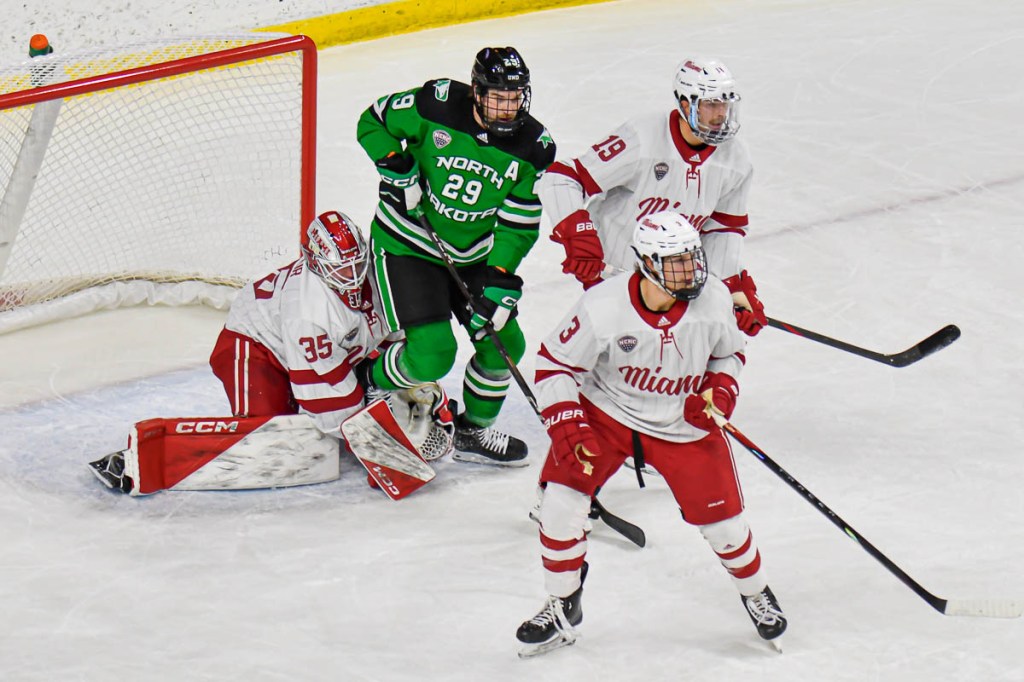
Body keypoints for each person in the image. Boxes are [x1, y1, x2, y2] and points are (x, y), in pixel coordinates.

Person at [515, 211, 787, 658]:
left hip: (682, 421)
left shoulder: (714, 298)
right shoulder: (604, 305)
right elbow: (555, 363)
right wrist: (566, 421)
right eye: (676, 262)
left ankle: (756, 591)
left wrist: (720, 390)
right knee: (560, 505)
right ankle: (563, 604)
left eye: (693, 258)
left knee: (725, 526)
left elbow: (730, 355)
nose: (691, 271)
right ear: (645, 264)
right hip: (608, 414)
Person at [89, 210, 452, 494]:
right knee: (276, 440)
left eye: (357, 264)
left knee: (354, 402)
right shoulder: (308, 312)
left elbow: (395, 333)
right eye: (341, 270)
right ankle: (138, 462)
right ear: (317, 264)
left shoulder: (374, 272)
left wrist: (387, 385)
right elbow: (330, 410)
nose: (353, 277)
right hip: (255, 345)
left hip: (337, 345)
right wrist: (375, 438)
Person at [355, 46, 556, 466]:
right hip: (408, 242)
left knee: (505, 345)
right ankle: (366, 381)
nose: (507, 108)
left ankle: (471, 432)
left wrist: (499, 277)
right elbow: (373, 121)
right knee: (433, 354)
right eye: (497, 98)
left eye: (515, 98)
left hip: (472, 255)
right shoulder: (437, 104)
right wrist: (395, 163)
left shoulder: (533, 147)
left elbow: (518, 224)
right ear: (476, 92)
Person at [538, 56, 767, 337]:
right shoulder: (643, 137)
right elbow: (562, 178)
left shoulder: (736, 159)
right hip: (612, 275)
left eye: (725, 104)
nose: (721, 114)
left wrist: (731, 288)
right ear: (685, 104)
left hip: (673, 283)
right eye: (711, 104)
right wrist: (578, 234)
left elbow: (722, 230)